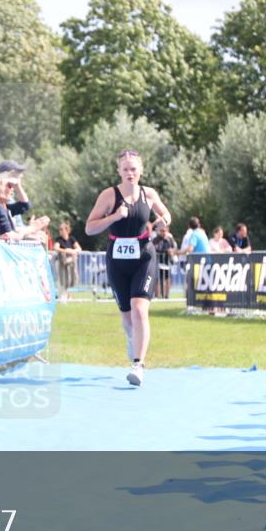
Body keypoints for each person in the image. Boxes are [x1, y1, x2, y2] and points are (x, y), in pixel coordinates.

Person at [85, 148, 172, 387]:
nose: (130, 173)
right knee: (127, 318)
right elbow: (89, 228)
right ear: (119, 172)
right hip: (117, 258)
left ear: (141, 171)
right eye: (125, 169)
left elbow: (166, 214)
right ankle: (132, 338)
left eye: (134, 169)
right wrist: (113, 217)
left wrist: (164, 220)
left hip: (144, 255)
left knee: (139, 309)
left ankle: (138, 364)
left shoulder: (149, 193)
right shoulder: (109, 195)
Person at [53, 221, 81, 301]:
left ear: (67, 230)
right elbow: (56, 248)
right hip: (60, 262)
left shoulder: (72, 239)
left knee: (72, 279)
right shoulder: (59, 239)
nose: (60, 231)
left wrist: (72, 251)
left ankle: (65, 295)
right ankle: (62, 297)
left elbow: (79, 248)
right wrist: (66, 250)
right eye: (59, 229)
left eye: (62, 229)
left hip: (70, 262)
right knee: (62, 280)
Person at [152, 223, 177, 299]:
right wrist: (165, 250)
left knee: (168, 279)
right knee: (158, 280)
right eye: (162, 231)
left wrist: (171, 251)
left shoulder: (169, 239)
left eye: (165, 231)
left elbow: (174, 248)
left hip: (167, 262)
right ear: (159, 231)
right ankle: (158, 296)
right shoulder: (155, 239)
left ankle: (167, 296)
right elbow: (155, 249)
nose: (163, 232)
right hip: (158, 263)